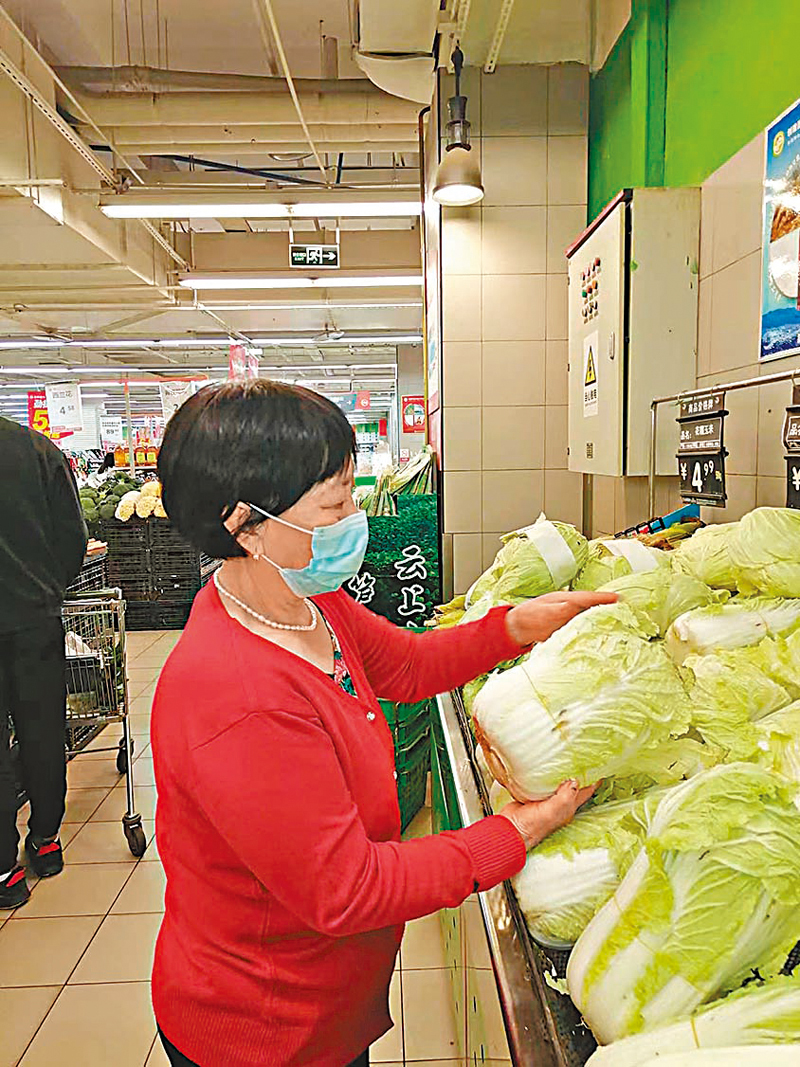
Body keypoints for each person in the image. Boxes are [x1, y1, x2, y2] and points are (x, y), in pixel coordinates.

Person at [151, 380, 615, 1067]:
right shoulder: (235, 693)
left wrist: (516, 625)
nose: (353, 516)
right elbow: (348, 888)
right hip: (266, 1030)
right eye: (334, 502)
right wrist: (511, 833)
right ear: (244, 523)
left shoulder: (307, 600)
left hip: (327, 1003)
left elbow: (403, 665)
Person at [0, 417, 88, 908]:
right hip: (34, 615)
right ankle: (46, 839)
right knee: (41, 728)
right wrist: (49, 588)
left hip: (29, 609)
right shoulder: (36, 450)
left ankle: (2, 870)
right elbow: (71, 537)